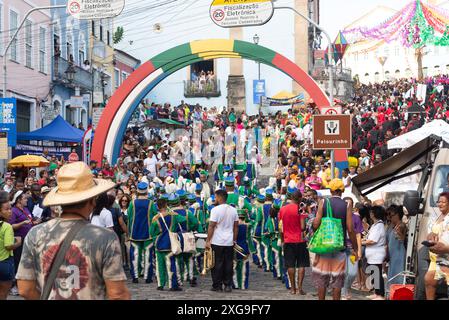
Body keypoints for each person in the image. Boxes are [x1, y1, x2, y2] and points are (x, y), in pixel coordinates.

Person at [16, 161, 130, 300]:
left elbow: (25, 289)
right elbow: (117, 294)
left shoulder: (35, 234)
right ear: (93, 200)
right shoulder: (105, 238)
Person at [312, 179, 358, 300]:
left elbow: (316, 224)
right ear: (342, 191)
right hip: (339, 247)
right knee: (337, 280)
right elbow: (350, 229)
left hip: (324, 247)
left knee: (322, 279)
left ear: (331, 190)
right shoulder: (347, 205)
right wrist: (355, 248)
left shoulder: (323, 202)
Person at [206, 189, 239, 293]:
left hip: (217, 240)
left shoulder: (215, 210)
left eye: (215, 197)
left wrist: (208, 240)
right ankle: (228, 284)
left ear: (220, 198)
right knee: (228, 263)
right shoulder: (233, 210)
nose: (214, 199)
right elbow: (236, 226)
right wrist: (234, 239)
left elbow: (211, 226)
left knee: (216, 264)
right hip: (229, 240)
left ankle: (217, 285)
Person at [150, 197, 185, 291]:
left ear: (157, 207)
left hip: (159, 244)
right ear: (166, 205)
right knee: (171, 265)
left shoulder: (155, 218)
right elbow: (183, 220)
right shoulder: (173, 215)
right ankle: (172, 285)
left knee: (159, 265)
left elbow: (152, 232)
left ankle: (160, 284)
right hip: (170, 243)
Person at [279, 190, 309, 295]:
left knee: (290, 265)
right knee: (301, 265)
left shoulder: (282, 209)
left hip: (288, 240)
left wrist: (282, 240)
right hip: (300, 240)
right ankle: (300, 288)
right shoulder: (300, 209)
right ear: (300, 198)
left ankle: (292, 288)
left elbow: (280, 227)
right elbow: (302, 227)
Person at [127, 182, 157, 284]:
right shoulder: (151, 203)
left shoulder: (132, 203)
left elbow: (130, 219)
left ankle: (135, 276)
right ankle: (147, 277)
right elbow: (155, 219)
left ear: (138, 191)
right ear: (146, 191)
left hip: (135, 233)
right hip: (148, 234)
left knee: (135, 255)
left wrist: (129, 233)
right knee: (148, 255)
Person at [424, 192, 449, 300]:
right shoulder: (436, 217)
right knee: (429, 280)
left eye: (443, 202)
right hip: (436, 257)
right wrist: (431, 235)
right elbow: (429, 233)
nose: (440, 204)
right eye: (439, 201)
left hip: (446, 256)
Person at [0, 191, 21, 300]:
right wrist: (18, 242)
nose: (10, 212)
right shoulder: (7, 226)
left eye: (10, 208)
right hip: (4, 264)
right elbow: (8, 246)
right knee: (3, 294)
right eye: (7, 209)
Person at [341, 197, 364, 300]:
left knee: (352, 272)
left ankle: (346, 287)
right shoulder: (339, 216)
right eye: (346, 204)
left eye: (350, 204)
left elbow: (358, 235)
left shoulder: (356, 218)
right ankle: (344, 291)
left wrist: (359, 250)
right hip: (340, 249)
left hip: (352, 250)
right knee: (344, 272)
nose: (348, 206)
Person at [363, 206, 387, 300]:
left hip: (376, 254)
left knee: (377, 273)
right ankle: (377, 293)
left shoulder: (379, 225)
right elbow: (368, 238)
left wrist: (360, 242)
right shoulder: (374, 225)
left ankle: (380, 295)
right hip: (372, 254)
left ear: (375, 213)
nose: (370, 214)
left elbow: (372, 241)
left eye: (372, 212)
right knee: (374, 273)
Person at [385, 205, 406, 296]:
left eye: (391, 215)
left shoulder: (401, 225)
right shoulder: (390, 226)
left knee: (398, 276)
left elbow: (401, 235)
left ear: (397, 215)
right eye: (388, 215)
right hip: (392, 255)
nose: (389, 217)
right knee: (392, 276)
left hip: (399, 254)